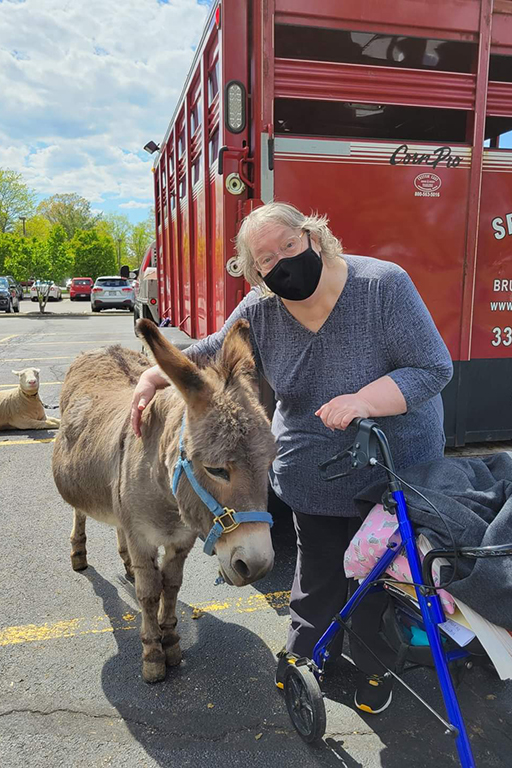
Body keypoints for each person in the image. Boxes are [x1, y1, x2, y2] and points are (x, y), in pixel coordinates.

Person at [130, 202, 453, 714]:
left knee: (378, 575)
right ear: (254, 271)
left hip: (393, 465)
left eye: (288, 244)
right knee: (320, 569)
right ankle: (306, 658)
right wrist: (152, 375)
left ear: (314, 236)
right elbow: (212, 347)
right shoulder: (261, 311)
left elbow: (433, 367)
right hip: (313, 472)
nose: (280, 260)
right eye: (264, 259)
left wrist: (364, 400)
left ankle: (371, 667)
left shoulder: (383, 286)